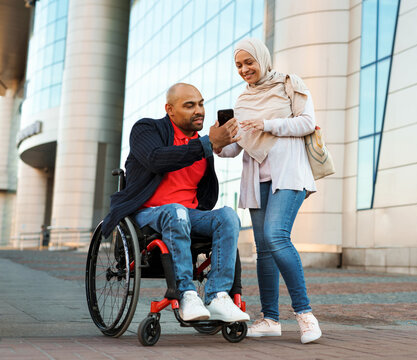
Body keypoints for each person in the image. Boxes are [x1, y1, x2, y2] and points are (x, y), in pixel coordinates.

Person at [102, 83, 249, 323]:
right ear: (170, 109)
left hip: (187, 215)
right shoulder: (146, 129)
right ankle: (187, 294)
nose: (198, 110)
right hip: (145, 213)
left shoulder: (203, 145)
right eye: (189, 105)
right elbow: (156, 159)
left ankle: (218, 296)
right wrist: (206, 144)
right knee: (176, 211)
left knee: (227, 216)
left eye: (201, 104)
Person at [215, 38, 322, 344]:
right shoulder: (241, 101)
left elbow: (306, 123)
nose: (244, 69)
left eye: (249, 62)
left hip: (289, 177)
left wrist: (266, 124)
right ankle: (270, 319)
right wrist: (219, 141)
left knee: (277, 237)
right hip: (256, 180)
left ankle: (305, 315)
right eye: (238, 65)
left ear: (263, 59)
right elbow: (236, 148)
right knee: (263, 249)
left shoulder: (290, 85)